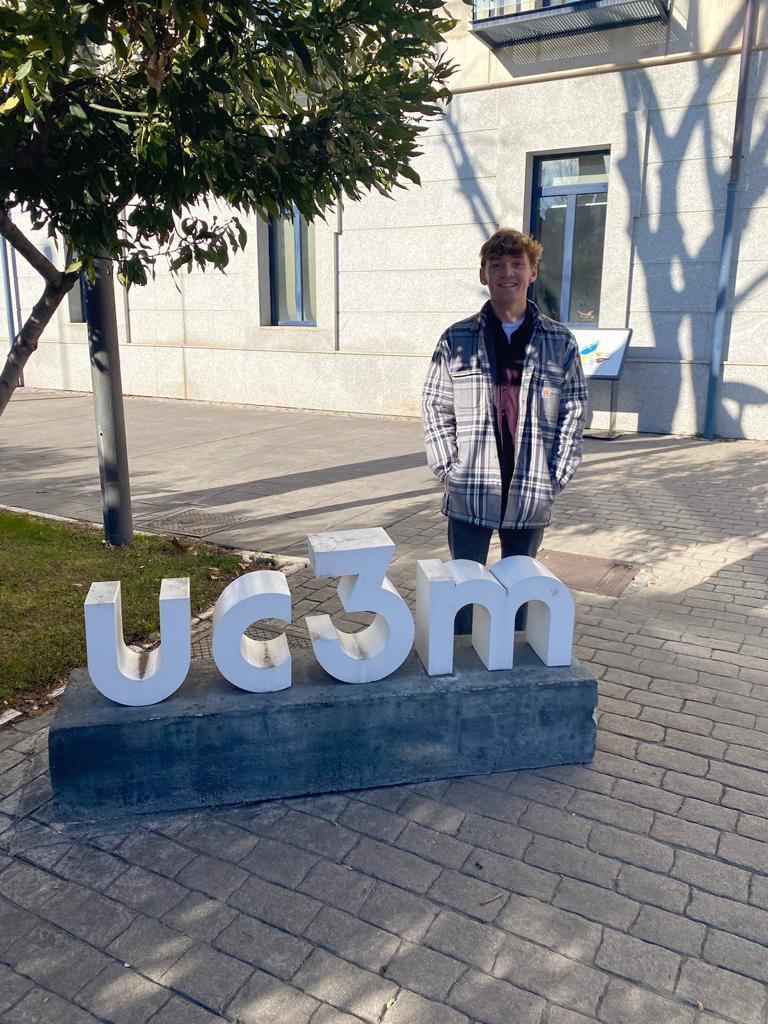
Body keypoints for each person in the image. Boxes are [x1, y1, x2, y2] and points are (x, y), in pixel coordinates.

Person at [422, 227, 587, 633]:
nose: (507, 273)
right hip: (471, 487)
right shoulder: (457, 339)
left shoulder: (559, 342)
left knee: (521, 593)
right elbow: (436, 407)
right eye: (496, 265)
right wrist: (450, 471)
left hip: (531, 488)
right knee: (463, 591)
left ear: (533, 272)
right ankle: (461, 657)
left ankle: (513, 661)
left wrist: (555, 477)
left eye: (517, 264)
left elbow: (574, 412)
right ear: (484, 274)